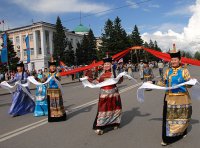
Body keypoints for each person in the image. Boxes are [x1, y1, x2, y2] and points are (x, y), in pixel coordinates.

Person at [157, 44, 192, 146]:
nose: (173, 61)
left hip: (183, 98)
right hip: (170, 98)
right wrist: (153, 83)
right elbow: (163, 82)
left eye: (175, 59)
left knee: (182, 117)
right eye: (172, 60)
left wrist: (190, 83)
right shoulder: (167, 71)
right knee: (169, 119)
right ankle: (167, 139)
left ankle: (182, 131)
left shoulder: (185, 71)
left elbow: (188, 85)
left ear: (179, 60)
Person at [91, 55, 123, 135]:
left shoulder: (114, 72)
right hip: (103, 95)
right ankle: (100, 126)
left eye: (108, 64)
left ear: (111, 65)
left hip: (114, 94)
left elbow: (119, 81)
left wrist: (121, 77)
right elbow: (98, 82)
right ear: (103, 65)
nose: (106, 65)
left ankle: (115, 123)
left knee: (114, 108)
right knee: (103, 110)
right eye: (105, 64)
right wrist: (89, 80)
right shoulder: (101, 73)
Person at [46, 57, 67, 122]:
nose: (53, 68)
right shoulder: (47, 74)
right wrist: (36, 79)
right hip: (50, 91)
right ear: (49, 67)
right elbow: (43, 81)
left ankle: (60, 116)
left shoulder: (57, 73)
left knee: (58, 104)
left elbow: (59, 79)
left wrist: (56, 77)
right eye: (51, 66)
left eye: (54, 66)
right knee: (52, 105)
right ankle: (53, 117)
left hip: (56, 91)